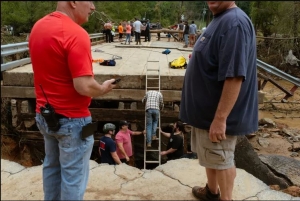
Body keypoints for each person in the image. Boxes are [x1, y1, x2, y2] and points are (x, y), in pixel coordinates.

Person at [29, 1, 118, 200]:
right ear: (74, 2)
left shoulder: (38, 27)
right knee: (73, 178)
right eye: (90, 1)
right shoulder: (76, 34)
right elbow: (84, 86)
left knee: (51, 167)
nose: (94, 7)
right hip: (72, 121)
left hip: (44, 115)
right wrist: (103, 88)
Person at [179, 1, 258, 201]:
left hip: (217, 115)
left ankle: (225, 198)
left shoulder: (235, 23)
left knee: (222, 159)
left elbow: (234, 76)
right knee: (211, 155)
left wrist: (220, 118)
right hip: (206, 115)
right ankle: (211, 191)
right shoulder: (220, 19)